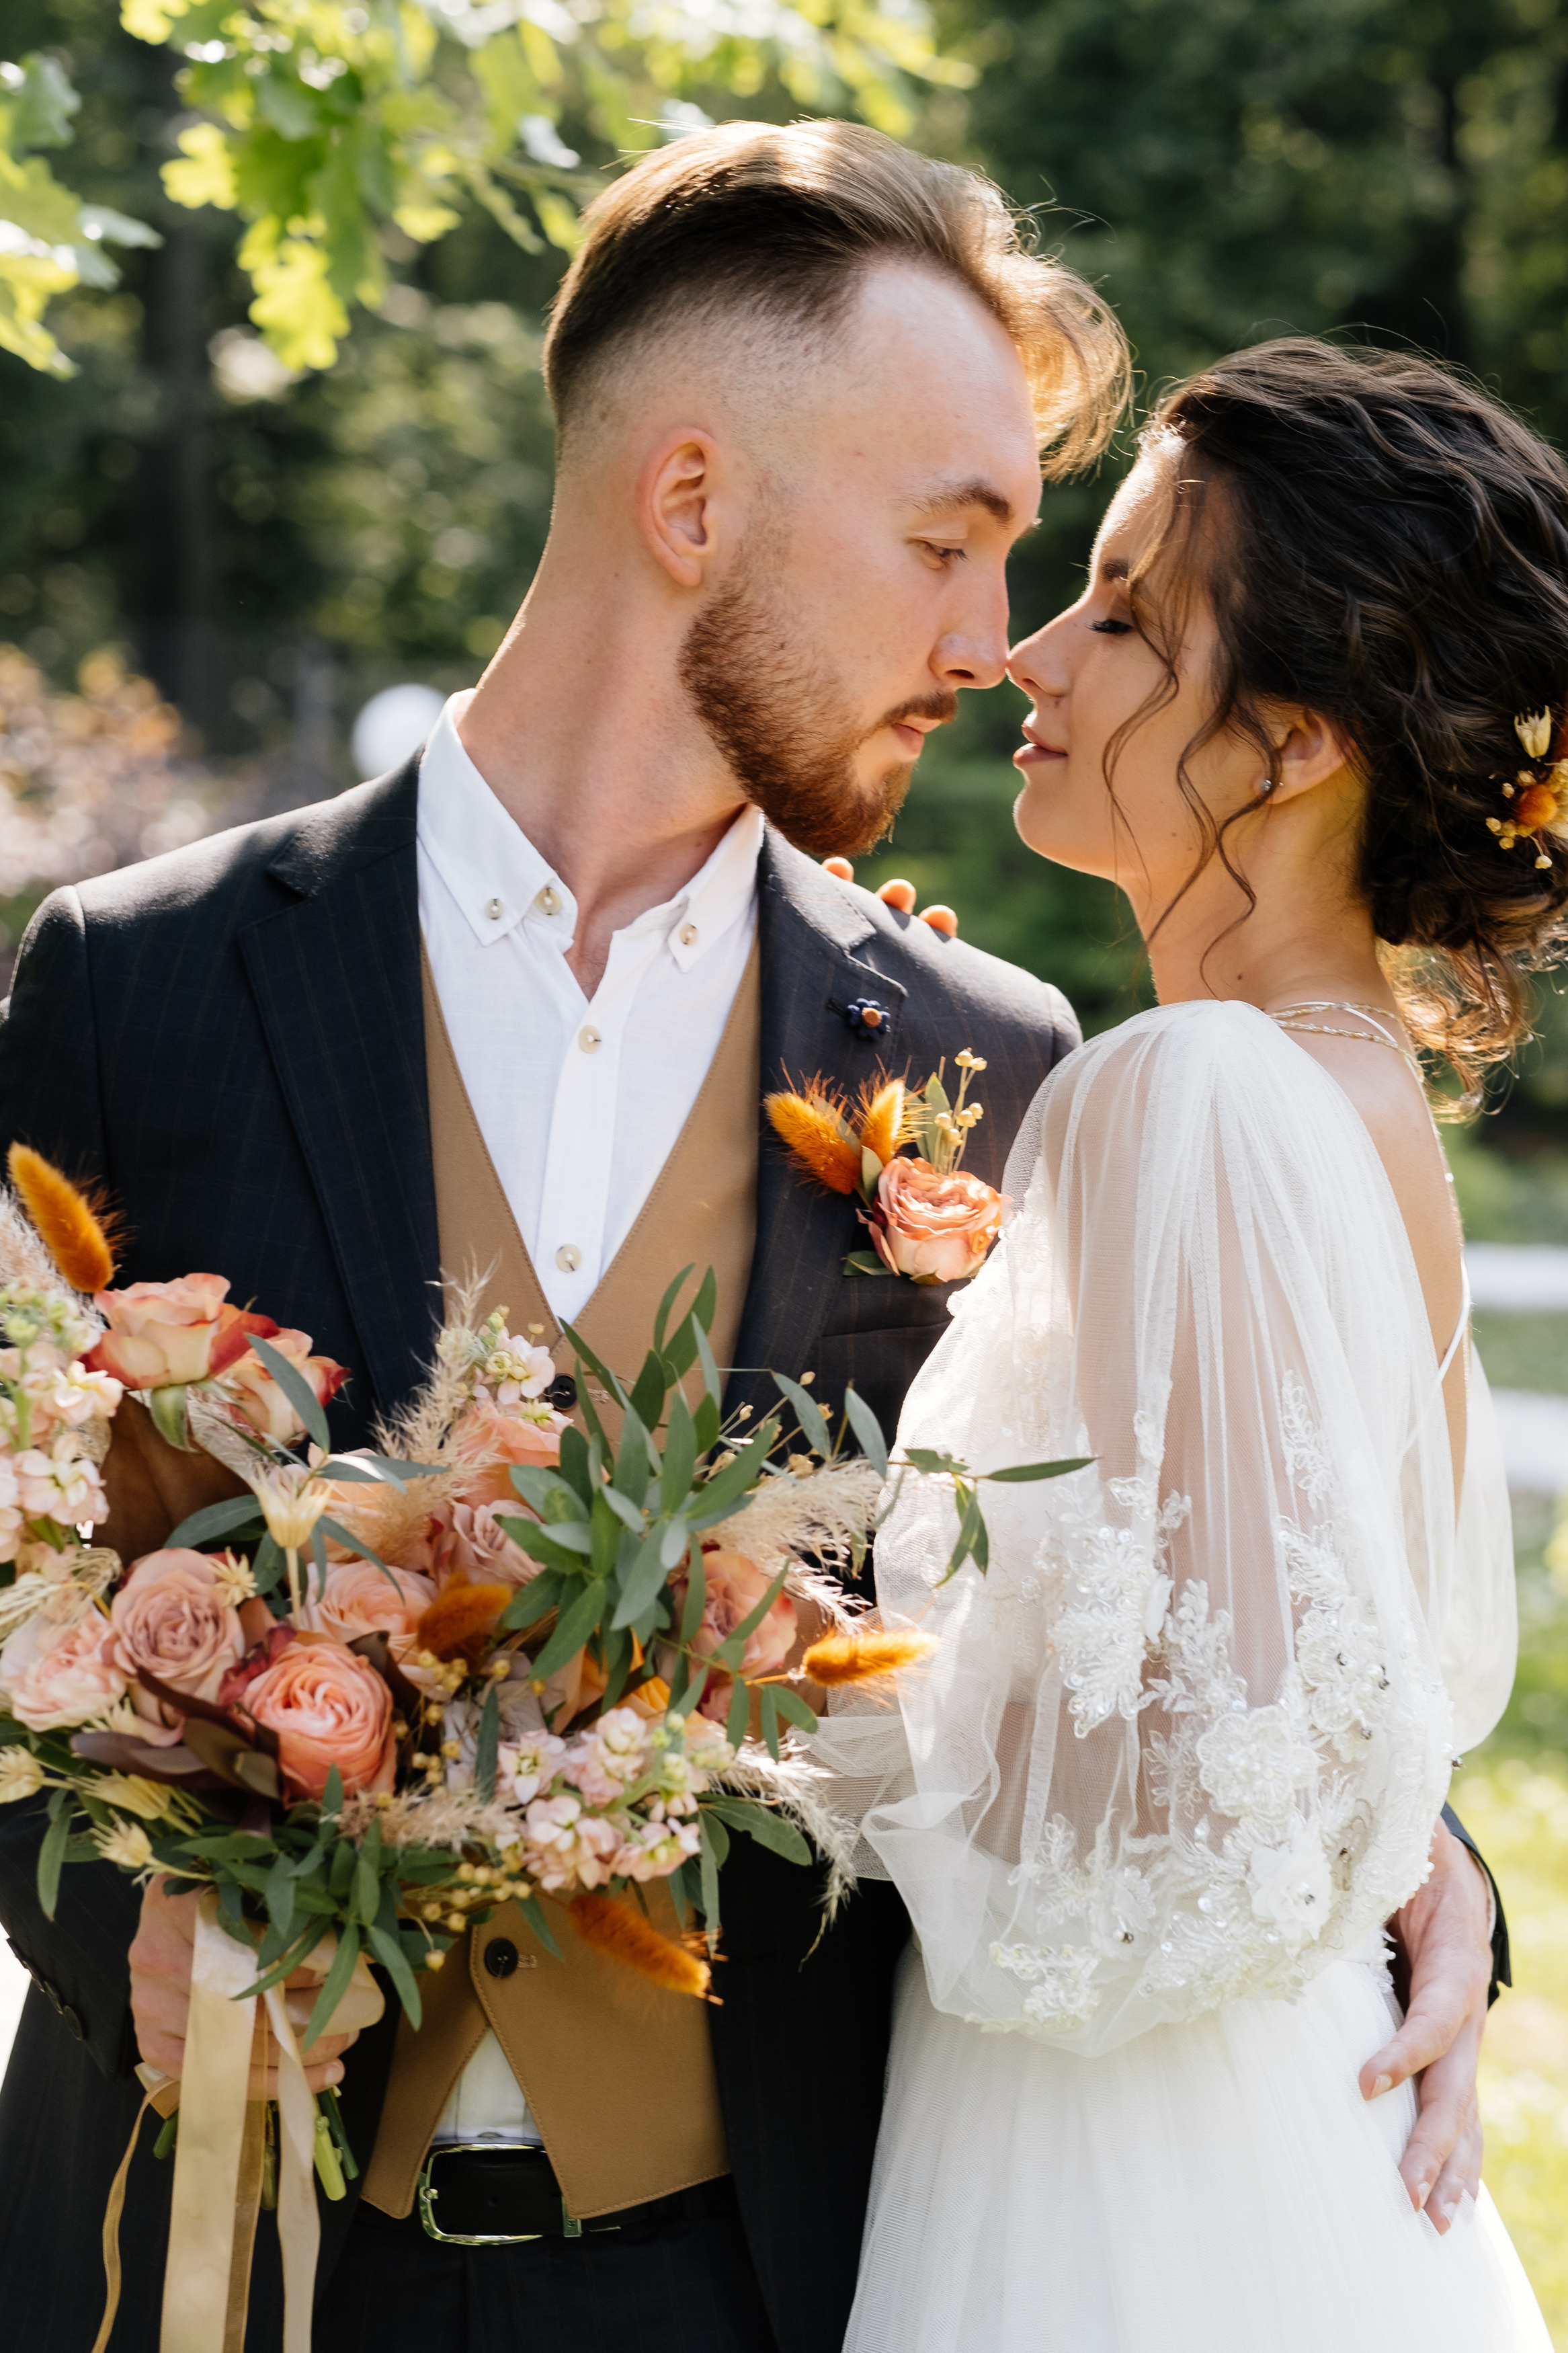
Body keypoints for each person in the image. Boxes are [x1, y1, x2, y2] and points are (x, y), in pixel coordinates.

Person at [0, 125, 1494, 2350]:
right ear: (691, 504)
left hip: (766, 2280)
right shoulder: (139, 978)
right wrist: (104, 1899)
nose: (996, 647)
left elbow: (1171, 1648)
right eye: (948, 543)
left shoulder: (1005, 1057)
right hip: (205, 2264)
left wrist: (1429, 1864)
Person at [815, 338, 1555, 2352]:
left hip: (1117, 2145)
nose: (1032, 655)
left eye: (1126, 614)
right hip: (1290, 2103)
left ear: (1293, 742)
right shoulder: (1357, 1089)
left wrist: (743, 1688)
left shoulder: (1184, 1093)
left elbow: (1175, 1784)